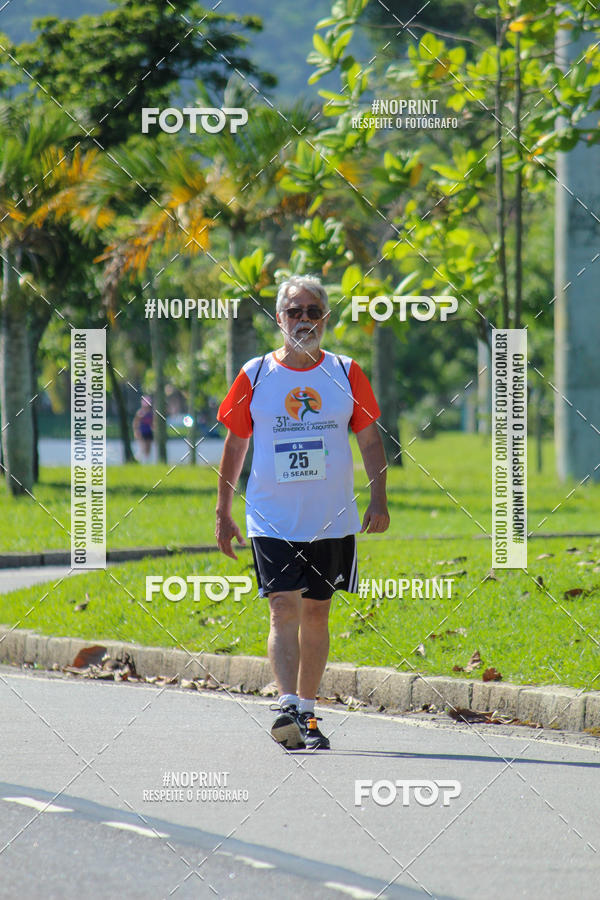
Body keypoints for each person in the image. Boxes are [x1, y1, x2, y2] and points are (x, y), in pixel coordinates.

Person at [215, 275, 390, 750]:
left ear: (325, 319)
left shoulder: (346, 372)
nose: (305, 320)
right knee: (281, 607)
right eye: (295, 311)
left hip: (331, 517)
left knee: (317, 613)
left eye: (314, 311)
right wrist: (223, 510)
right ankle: (288, 704)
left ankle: (308, 714)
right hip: (271, 516)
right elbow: (236, 442)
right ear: (279, 318)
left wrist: (379, 499)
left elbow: (370, 439)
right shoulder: (255, 375)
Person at [133, 395, 154, 461]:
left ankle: (147, 461)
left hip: (149, 432)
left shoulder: (151, 413)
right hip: (141, 432)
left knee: (148, 448)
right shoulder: (140, 412)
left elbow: (153, 423)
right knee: (142, 447)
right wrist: (136, 431)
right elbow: (135, 422)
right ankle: (138, 460)